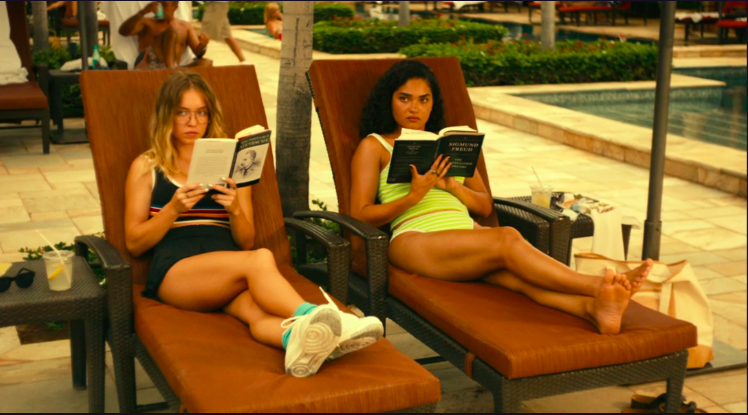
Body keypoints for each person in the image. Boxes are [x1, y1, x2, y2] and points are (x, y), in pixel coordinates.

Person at [350, 60, 654, 335]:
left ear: (433, 105)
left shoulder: (449, 144)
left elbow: (484, 206)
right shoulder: (374, 146)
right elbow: (360, 214)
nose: (414, 108)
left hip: (465, 232)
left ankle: (593, 309)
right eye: (404, 98)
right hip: (414, 238)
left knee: (515, 277)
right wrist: (414, 196)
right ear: (389, 100)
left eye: (423, 100)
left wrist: (452, 187)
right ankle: (598, 284)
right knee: (507, 237)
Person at [125, 71, 383, 377]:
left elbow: (245, 240)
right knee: (261, 258)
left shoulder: (234, 162)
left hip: (229, 270)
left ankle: (301, 343)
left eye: (201, 113)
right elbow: (134, 243)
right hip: (177, 271)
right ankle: (324, 318)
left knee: (255, 313)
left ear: (210, 116)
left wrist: (234, 208)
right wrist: (172, 210)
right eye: (182, 112)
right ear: (167, 114)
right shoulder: (147, 166)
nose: (193, 122)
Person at [119, 1, 211, 70]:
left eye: (164, 5)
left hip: (175, 69)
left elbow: (198, 53)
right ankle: (171, 71)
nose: (160, 8)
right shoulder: (147, 23)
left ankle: (172, 72)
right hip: (149, 65)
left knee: (206, 63)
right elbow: (123, 31)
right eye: (158, 4)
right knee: (171, 33)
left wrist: (203, 45)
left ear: (175, 7)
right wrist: (143, 11)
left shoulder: (185, 27)